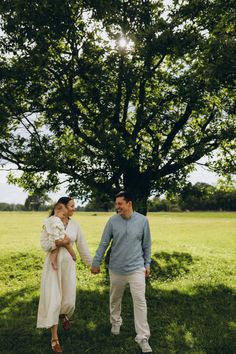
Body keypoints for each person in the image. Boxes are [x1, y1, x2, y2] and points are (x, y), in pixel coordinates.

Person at [91, 191, 152, 353]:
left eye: (119, 204)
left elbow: (147, 245)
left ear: (129, 204)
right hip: (116, 268)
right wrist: (96, 262)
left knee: (140, 300)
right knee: (115, 298)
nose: (116, 207)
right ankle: (116, 322)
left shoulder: (143, 221)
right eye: (116, 204)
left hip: (136, 268)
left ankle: (143, 337)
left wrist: (147, 264)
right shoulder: (112, 221)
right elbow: (104, 243)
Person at [37, 197, 92, 353]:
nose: (74, 208)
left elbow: (82, 246)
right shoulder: (50, 223)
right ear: (63, 208)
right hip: (53, 267)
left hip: (68, 266)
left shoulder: (75, 225)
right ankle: (54, 338)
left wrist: (91, 264)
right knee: (54, 299)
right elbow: (44, 244)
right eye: (72, 206)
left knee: (68, 300)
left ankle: (63, 315)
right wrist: (60, 243)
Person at [46, 202, 76, 270]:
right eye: (63, 214)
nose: (64, 216)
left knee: (67, 244)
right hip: (57, 238)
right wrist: (57, 240)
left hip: (61, 235)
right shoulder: (55, 220)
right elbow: (55, 230)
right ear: (57, 211)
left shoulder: (57, 219)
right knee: (56, 250)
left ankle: (73, 256)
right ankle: (54, 260)